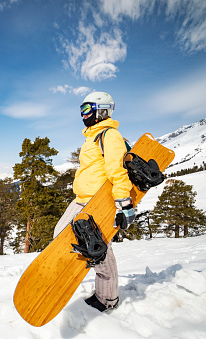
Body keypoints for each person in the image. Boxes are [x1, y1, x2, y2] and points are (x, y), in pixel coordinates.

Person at [53, 91, 135, 312]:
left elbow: (117, 172)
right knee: (61, 236)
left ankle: (108, 297)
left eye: (87, 109)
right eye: (81, 109)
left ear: (102, 110)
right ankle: (67, 279)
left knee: (98, 247)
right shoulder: (93, 137)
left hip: (99, 202)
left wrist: (124, 204)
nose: (83, 114)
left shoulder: (110, 136)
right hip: (82, 199)